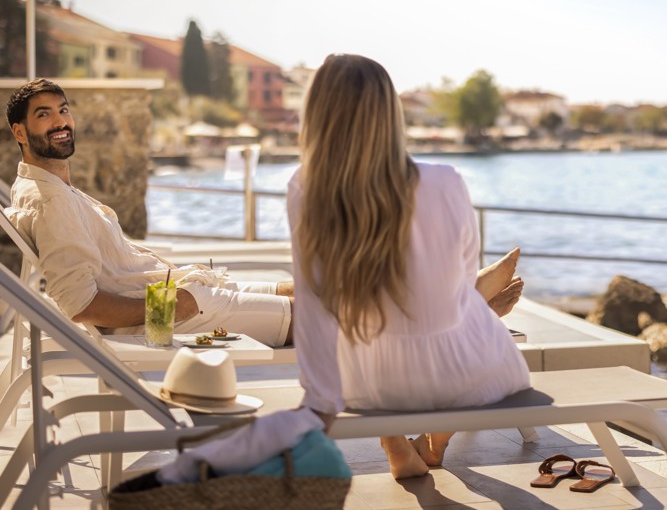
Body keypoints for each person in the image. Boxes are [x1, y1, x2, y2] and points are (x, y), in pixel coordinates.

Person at [4, 79, 522, 349]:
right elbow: (80, 304)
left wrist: (183, 290)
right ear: (20, 132)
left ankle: (453, 298)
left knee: (316, 286)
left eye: (63, 109)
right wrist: (174, 307)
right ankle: (462, 312)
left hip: (189, 290)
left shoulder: (53, 190)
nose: (60, 121)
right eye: (44, 115)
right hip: (178, 311)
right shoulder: (51, 202)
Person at [288, 54, 531, 480]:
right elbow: (459, 275)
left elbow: (314, 301)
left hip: (368, 378)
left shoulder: (306, 186)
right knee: (462, 318)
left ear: (317, 116)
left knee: (368, 325)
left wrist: (318, 397)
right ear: (390, 114)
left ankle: (395, 443)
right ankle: (436, 437)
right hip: (462, 367)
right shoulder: (446, 180)